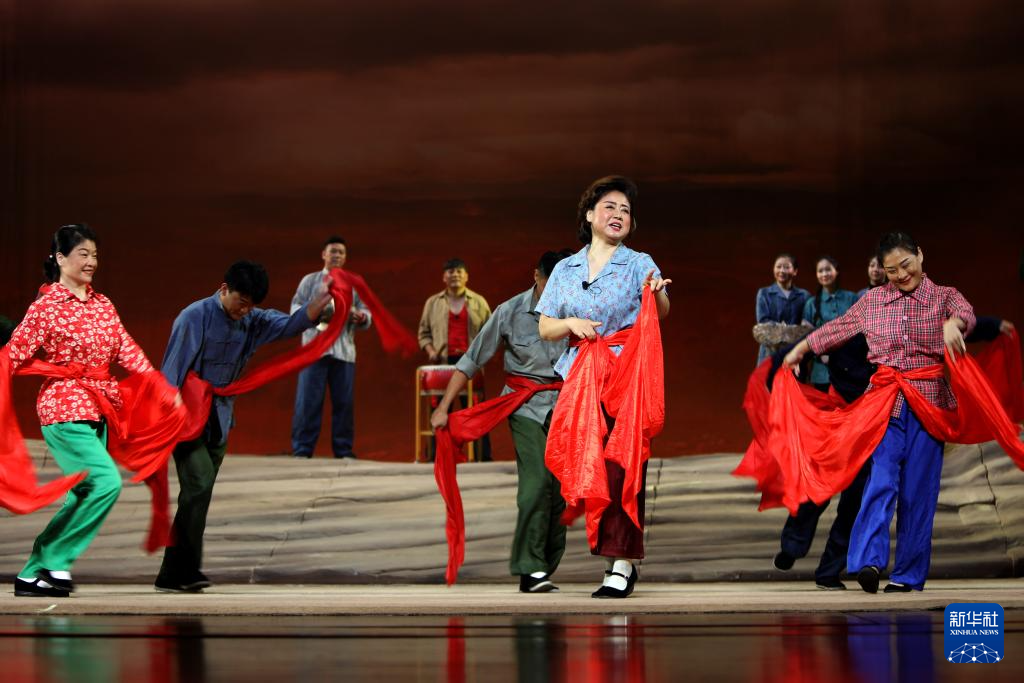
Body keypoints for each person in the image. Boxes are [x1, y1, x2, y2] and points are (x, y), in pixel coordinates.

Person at [783, 232, 976, 593]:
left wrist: (954, 324)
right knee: (881, 479)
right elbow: (838, 329)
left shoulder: (944, 296)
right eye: (891, 270)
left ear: (920, 255)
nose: (901, 275)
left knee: (918, 491)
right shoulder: (873, 301)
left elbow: (966, 314)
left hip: (929, 404)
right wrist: (799, 351)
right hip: (884, 403)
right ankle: (869, 561)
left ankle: (906, 575)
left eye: (905, 265)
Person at [6, 224, 165, 597]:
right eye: (83, 254)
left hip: (99, 408)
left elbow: (125, 347)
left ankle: (31, 574)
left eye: (94, 255)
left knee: (82, 493)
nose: (91, 261)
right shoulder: (46, 307)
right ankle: (56, 561)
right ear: (61, 258)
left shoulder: (103, 304)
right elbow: (13, 353)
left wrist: (158, 385)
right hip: (63, 408)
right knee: (106, 482)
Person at [155, 260, 330, 592]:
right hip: (186, 418)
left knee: (199, 493)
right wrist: (166, 419)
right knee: (198, 483)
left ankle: (178, 571)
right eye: (241, 302)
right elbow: (171, 372)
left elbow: (290, 324)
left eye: (251, 305)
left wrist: (318, 303)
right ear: (225, 289)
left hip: (220, 418)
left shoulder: (253, 320)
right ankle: (179, 570)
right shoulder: (193, 317)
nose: (245, 310)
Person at [537, 175, 670, 599]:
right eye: (610, 207)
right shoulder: (565, 269)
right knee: (590, 466)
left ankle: (622, 562)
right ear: (590, 215)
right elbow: (545, 327)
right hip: (581, 378)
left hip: (625, 375)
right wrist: (571, 323)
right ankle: (611, 557)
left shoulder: (639, 263)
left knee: (622, 465)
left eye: (625, 210)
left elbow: (661, 309)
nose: (618, 215)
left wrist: (656, 293)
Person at [430, 250, 572, 593]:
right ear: (536, 276)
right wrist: (444, 407)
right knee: (536, 484)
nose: (556, 291)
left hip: (567, 407)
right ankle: (530, 568)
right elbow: (472, 359)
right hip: (525, 405)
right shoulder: (509, 311)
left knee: (561, 492)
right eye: (550, 282)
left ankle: (543, 565)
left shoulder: (577, 308)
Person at [290, 236, 371, 459]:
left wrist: (361, 316)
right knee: (308, 402)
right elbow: (295, 307)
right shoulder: (310, 281)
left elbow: (367, 312)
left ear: (345, 257)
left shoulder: (353, 283)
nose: (336, 255)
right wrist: (313, 310)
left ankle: (343, 451)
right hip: (313, 351)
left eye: (341, 252)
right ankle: (302, 450)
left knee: (344, 403)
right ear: (323, 254)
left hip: (343, 352)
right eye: (333, 251)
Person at [418, 258, 492, 460]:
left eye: (459, 271)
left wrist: (480, 356)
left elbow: (490, 333)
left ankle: (482, 458)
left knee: (475, 411)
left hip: (471, 364)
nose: (455, 275)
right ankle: (436, 457)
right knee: (439, 410)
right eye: (450, 272)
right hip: (442, 364)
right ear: (444, 277)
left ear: (466, 276)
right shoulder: (433, 303)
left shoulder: (479, 302)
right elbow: (423, 333)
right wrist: (431, 350)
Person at [801, 256, 858, 392]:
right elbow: (806, 337)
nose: (824, 274)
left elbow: (859, 332)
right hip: (821, 372)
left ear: (836, 271)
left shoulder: (851, 298)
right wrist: (820, 354)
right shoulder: (811, 304)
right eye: (820, 271)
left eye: (828, 269)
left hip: (849, 369)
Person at [755, 254, 811, 363]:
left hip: (795, 354)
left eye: (786, 267)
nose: (782, 270)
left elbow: (806, 328)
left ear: (795, 271)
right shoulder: (764, 293)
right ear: (773, 269)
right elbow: (763, 325)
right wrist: (792, 331)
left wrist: (781, 330)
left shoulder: (804, 296)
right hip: (769, 353)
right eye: (778, 266)